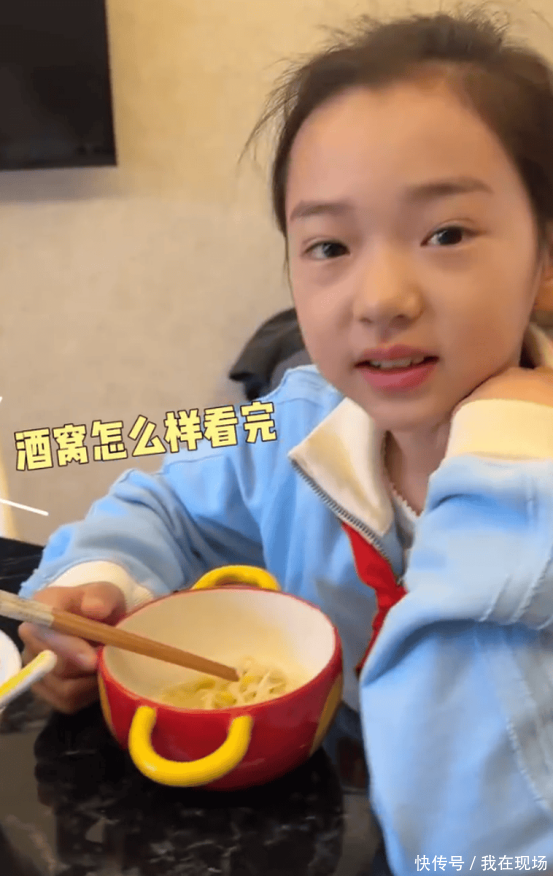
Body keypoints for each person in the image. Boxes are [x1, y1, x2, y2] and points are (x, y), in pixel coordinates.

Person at [17, 8, 553, 871]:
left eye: (446, 234)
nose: (380, 298)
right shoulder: (296, 418)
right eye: (329, 245)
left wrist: (506, 477)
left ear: (545, 257)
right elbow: (162, 505)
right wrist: (100, 590)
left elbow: (479, 830)